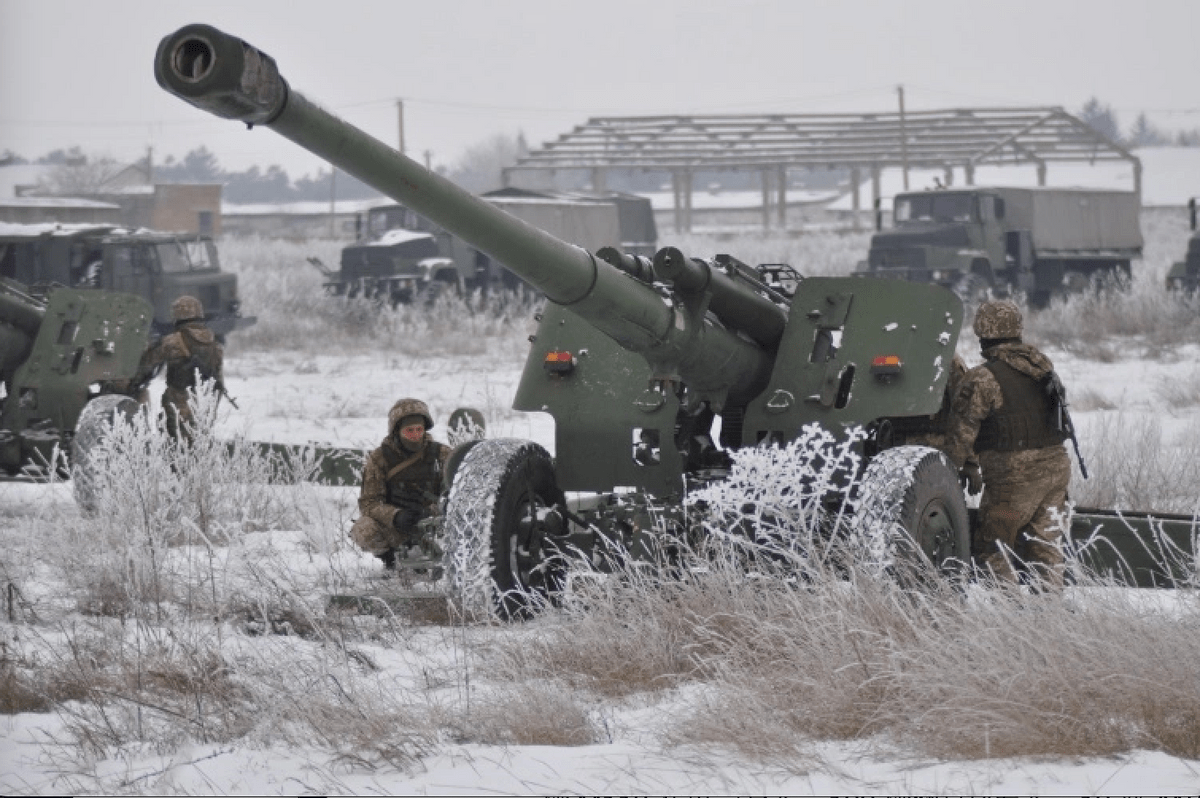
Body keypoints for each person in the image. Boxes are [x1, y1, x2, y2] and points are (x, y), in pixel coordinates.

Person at [945, 300, 1072, 588]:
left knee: (993, 548)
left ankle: (1008, 618)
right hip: (1056, 474)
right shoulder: (1041, 367)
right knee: (1046, 549)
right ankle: (1049, 618)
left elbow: (959, 436)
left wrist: (949, 472)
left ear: (983, 332)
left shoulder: (982, 378)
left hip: (1014, 484)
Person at [350, 398, 451, 570]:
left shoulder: (442, 454)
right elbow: (369, 504)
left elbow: (458, 493)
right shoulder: (379, 459)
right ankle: (391, 562)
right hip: (397, 527)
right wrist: (396, 516)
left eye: (419, 429)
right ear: (397, 431)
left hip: (435, 524)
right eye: (409, 430)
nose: (415, 435)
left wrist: (433, 511)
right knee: (363, 529)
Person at [129, 295, 225, 444]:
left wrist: (132, 384)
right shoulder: (215, 344)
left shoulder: (173, 341)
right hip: (205, 405)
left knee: (174, 449)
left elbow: (146, 363)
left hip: (178, 406)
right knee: (200, 446)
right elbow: (219, 383)